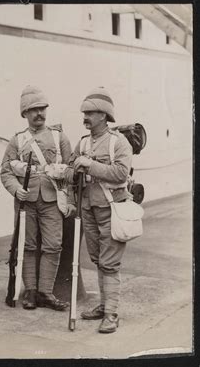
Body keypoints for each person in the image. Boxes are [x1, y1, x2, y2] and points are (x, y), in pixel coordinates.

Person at [0, 85, 75, 311]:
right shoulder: (17, 140)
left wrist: (69, 200)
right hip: (26, 200)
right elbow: (5, 170)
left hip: (53, 199)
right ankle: (30, 291)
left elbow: (70, 171)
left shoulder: (59, 136)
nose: (39, 114)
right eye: (33, 110)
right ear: (25, 113)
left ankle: (46, 291)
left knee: (53, 245)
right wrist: (15, 189)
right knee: (28, 245)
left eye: (42, 108)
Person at [69, 87, 133, 333]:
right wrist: (66, 171)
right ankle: (104, 304)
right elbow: (71, 167)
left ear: (104, 115)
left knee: (110, 263)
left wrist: (90, 165)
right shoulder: (83, 142)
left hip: (112, 208)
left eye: (91, 112)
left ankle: (111, 314)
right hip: (88, 209)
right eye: (84, 112)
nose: (85, 117)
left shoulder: (118, 142)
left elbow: (120, 173)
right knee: (98, 259)